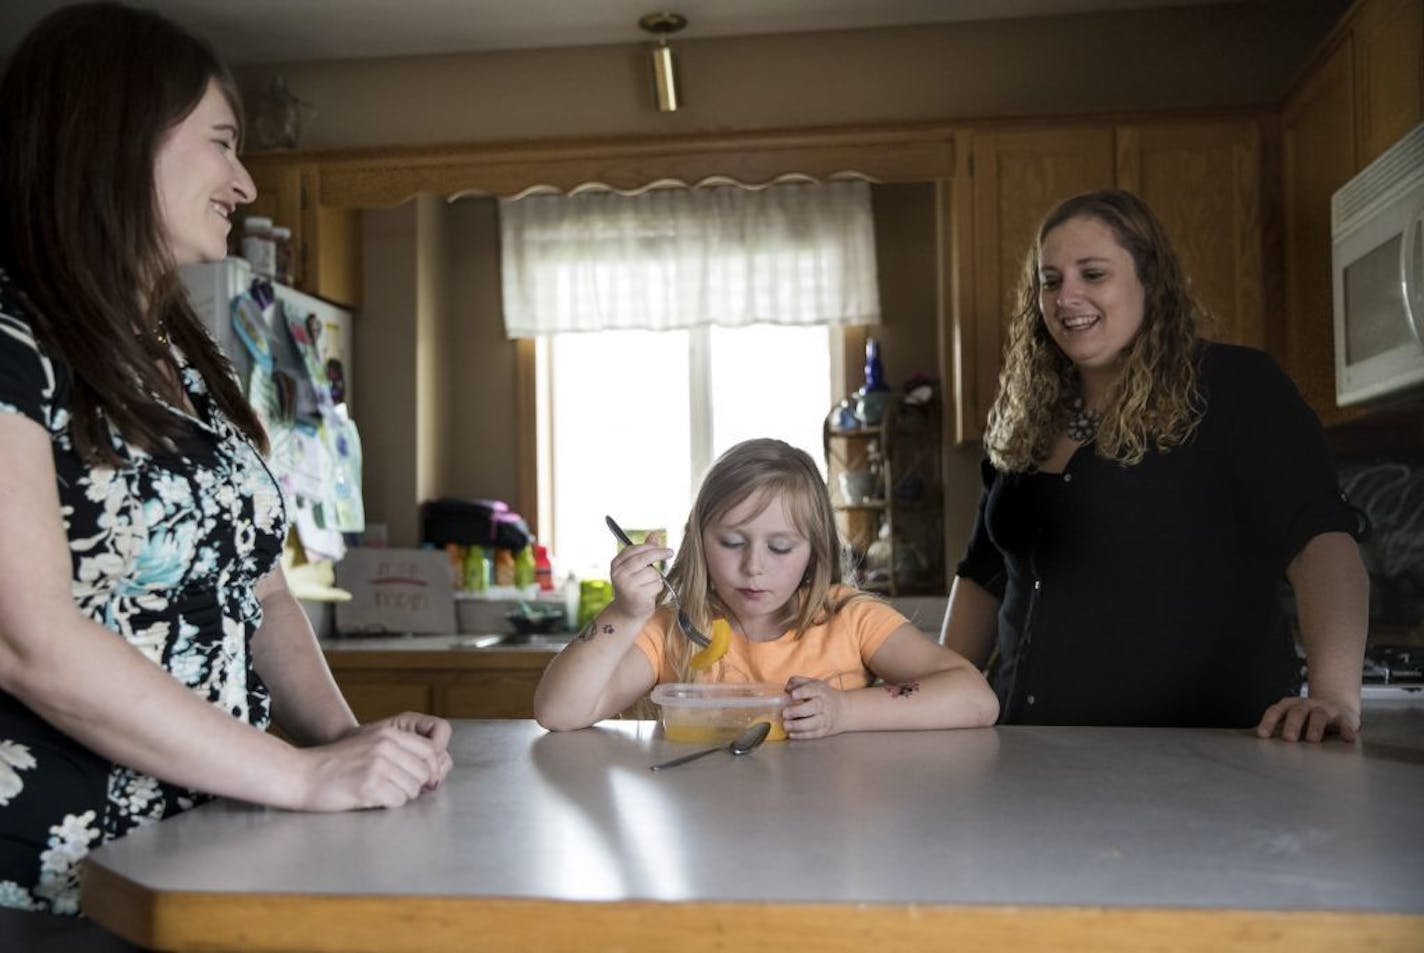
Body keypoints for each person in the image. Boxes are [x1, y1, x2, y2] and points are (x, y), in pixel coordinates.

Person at [0, 2, 452, 923]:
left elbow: (263, 590)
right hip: (57, 887)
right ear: (118, 136)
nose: (245, 183)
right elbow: (27, 640)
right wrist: (298, 774)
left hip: (203, 858)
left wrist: (346, 741)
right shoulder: (13, 340)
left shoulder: (175, 350)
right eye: (222, 143)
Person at [941, 189, 1368, 742]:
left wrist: (1334, 696)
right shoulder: (1030, 412)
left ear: (1149, 280)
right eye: (1050, 281)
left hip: (1206, 753)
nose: (1066, 296)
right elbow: (983, 574)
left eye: (1093, 274)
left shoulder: (1233, 388)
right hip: (1030, 751)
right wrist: (933, 691)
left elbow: (1320, 540)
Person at [534, 438, 999, 737]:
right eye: (732, 542)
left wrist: (845, 712)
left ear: (815, 551)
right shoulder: (674, 628)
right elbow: (559, 712)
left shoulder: (850, 620)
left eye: (780, 548)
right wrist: (625, 614)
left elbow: (975, 698)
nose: (753, 567)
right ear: (698, 539)